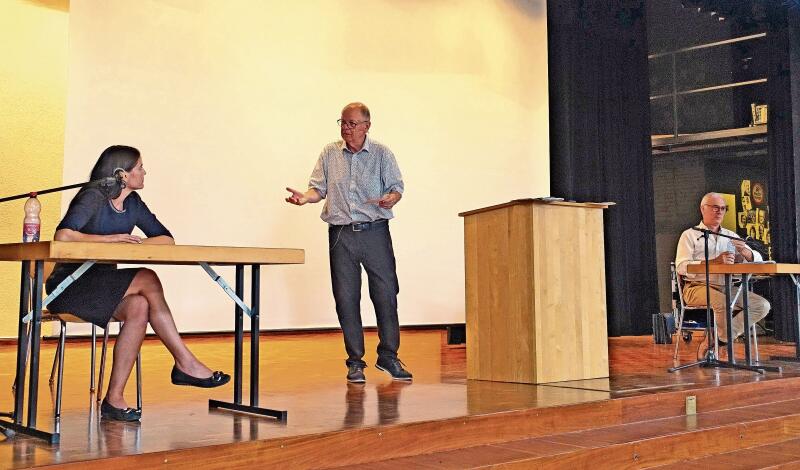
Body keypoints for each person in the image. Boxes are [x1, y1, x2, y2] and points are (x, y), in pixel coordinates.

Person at [46, 145, 230, 422]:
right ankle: (185, 362)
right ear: (121, 174)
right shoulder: (92, 196)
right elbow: (63, 236)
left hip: (102, 284)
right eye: (140, 167)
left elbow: (166, 239)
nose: (144, 172)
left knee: (139, 306)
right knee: (148, 277)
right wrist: (109, 240)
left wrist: (133, 242)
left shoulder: (132, 203)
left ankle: (114, 400)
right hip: (70, 286)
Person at [285, 102, 412, 383]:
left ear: (367, 126)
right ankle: (355, 361)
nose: (346, 128)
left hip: (375, 232)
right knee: (346, 298)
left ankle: (388, 356)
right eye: (342, 122)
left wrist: (391, 198)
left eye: (352, 123)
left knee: (386, 294)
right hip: (341, 235)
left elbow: (396, 187)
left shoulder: (381, 153)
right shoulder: (330, 153)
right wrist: (305, 198)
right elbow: (318, 188)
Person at [675, 192, 770, 344]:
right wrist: (714, 262)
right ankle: (723, 340)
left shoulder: (730, 235)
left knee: (761, 305)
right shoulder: (690, 235)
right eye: (715, 207)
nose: (720, 211)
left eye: (723, 208)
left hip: (725, 287)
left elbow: (756, 261)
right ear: (702, 209)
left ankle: (721, 339)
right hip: (695, 288)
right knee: (723, 302)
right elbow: (681, 267)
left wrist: (745, 253)